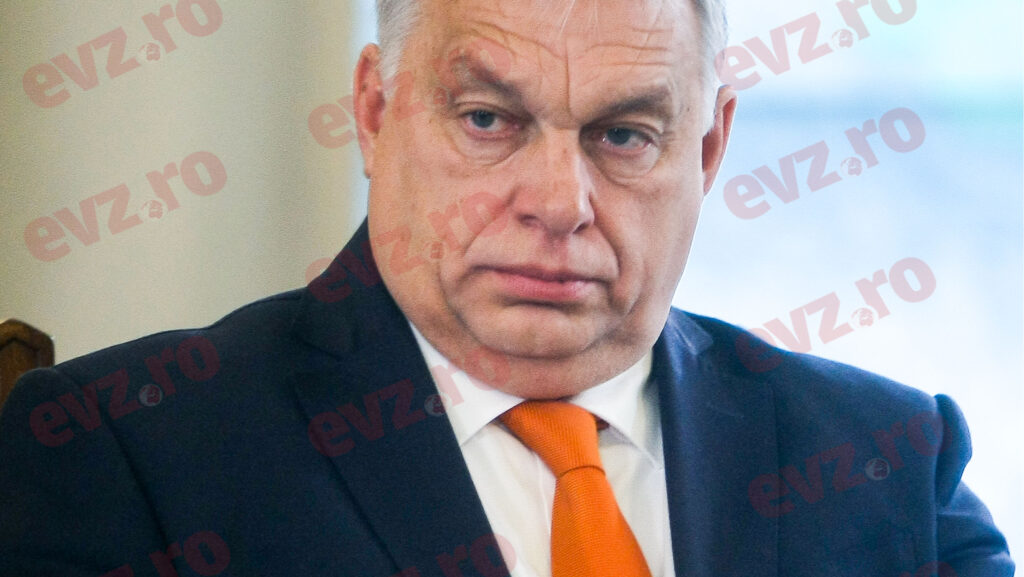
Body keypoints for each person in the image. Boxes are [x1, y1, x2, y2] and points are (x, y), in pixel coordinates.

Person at [0, 0, 1013, 575]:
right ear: (374, 111)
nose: (558, 202)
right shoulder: (122, 447)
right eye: (488, 119)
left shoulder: (891, 461)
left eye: (624, 135)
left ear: (708, 149)